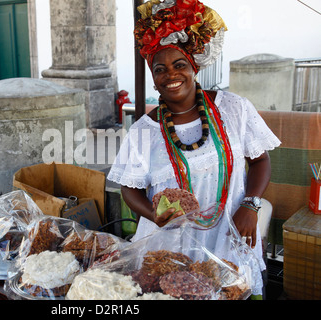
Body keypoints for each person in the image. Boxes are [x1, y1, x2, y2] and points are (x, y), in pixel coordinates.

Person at [107, 0, 281, 296]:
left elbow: (260, 160)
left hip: (228, 237)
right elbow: (129, 190)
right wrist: (153, 214)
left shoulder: (233, 110)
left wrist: (250, 205)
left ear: (194, 67)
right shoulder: (143, 132)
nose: (171, 76)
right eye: (160, 69)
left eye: (179, 65)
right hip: (170, 247)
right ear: (153, 77)